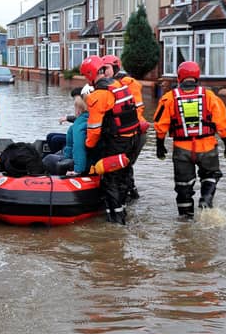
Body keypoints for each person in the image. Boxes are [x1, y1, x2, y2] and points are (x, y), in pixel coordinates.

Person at [153, 61, 226, 217]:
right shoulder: (209, 96)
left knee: (183, 187)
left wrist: (159, 145)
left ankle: (185, 221)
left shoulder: (169, 98)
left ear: (179, 77)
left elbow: (160, 124)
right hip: (207, 147)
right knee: (211, 175)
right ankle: (206, 198)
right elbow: (221, 123)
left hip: (182, 149)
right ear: (197, 77)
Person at [80, 55, 140, 224]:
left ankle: (116, 221)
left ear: (90, 75)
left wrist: (89, 146)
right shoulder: (119, 85)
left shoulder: (98, 96)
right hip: (132, 139)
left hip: (116, 142)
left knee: (110, 180)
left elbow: (93, 129)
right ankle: (126, 208)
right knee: (123, 176)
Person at [101, 54, 149, 200]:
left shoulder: (128, 84)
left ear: (115, 67)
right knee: (124, 167)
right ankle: (131, 193)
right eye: (102, 69)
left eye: (106, 68)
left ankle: (126, 197)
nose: (104, 72)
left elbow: (137, 109)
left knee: (123, 167)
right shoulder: (106, 84)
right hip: (124, 133)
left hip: (134, 133)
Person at [43, 89, 91, 176]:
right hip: (90, 159)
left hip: (85, 163)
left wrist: (78, 170)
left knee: (48, 159)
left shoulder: (79, 125)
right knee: (53, 142)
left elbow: (78, 147)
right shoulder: (91, 118)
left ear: (78, 109)